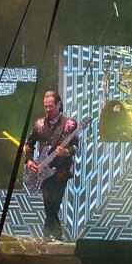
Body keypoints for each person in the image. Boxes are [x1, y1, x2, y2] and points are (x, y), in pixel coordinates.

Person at [24, 90, 80, 241]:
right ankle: (54, 238)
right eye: (45, 107)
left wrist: (66, 152)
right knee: (48, 203)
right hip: (43, 170)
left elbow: (76, 147)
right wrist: (29, 161)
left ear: (59, 105)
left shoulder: (70, 124)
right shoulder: (39, 124)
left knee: (54, 203)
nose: (48, 110)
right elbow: (29, 145)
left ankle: (50, 237)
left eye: (51, 107)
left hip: (61, 170)